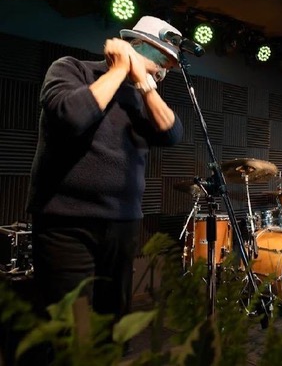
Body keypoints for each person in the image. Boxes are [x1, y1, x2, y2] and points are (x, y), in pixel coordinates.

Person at [26, 16, 184, 331]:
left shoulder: (144, 97)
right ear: (136, 45)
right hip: (68, 223)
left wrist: (144, 84)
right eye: (160, 60)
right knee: (68, 328)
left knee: (113, 325)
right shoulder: (72, 69)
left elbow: (171, 134)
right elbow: (72, 117)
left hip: (122, 223)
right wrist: (119, 70)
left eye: (168, 65)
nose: (163, 70)